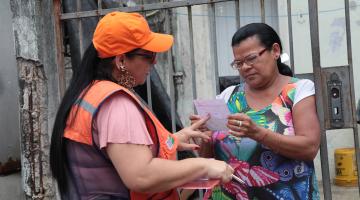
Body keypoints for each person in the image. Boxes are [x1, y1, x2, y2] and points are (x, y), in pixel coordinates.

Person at [50, 11, 234, 200]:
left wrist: (171, 141)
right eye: (148, 56)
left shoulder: (89, 94)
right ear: (121, 60)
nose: (154, 63)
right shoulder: (116, 103)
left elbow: (118, 153)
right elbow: (141, 175)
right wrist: (205, 165)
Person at [191, 23, 321, 199]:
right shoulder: (228, 96)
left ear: (275, 51)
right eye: (238, 63)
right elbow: (208, 162)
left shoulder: (298, 90)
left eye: (251, 58)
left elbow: (309, 147)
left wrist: (258, 133)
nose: (245, 67)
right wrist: (204, 137)